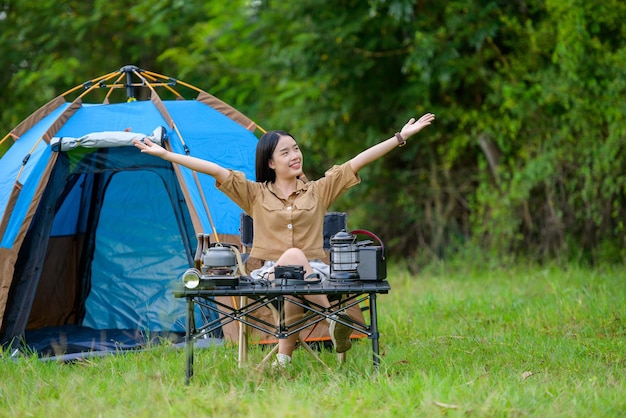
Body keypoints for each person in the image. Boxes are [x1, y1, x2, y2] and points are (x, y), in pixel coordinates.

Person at [133, 113, 435, 367]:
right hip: (268, 275)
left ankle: (282, 362)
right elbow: (213, 169)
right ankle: (334, 316)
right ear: (271, 163)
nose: (295, 155)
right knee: (290, 261)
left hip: (316, 274)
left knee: (295, 284)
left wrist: (400, 137)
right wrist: (166, 154)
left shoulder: (319, 191)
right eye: (286, 152)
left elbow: (357, 162)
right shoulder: (254, 193)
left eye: (296, 148)